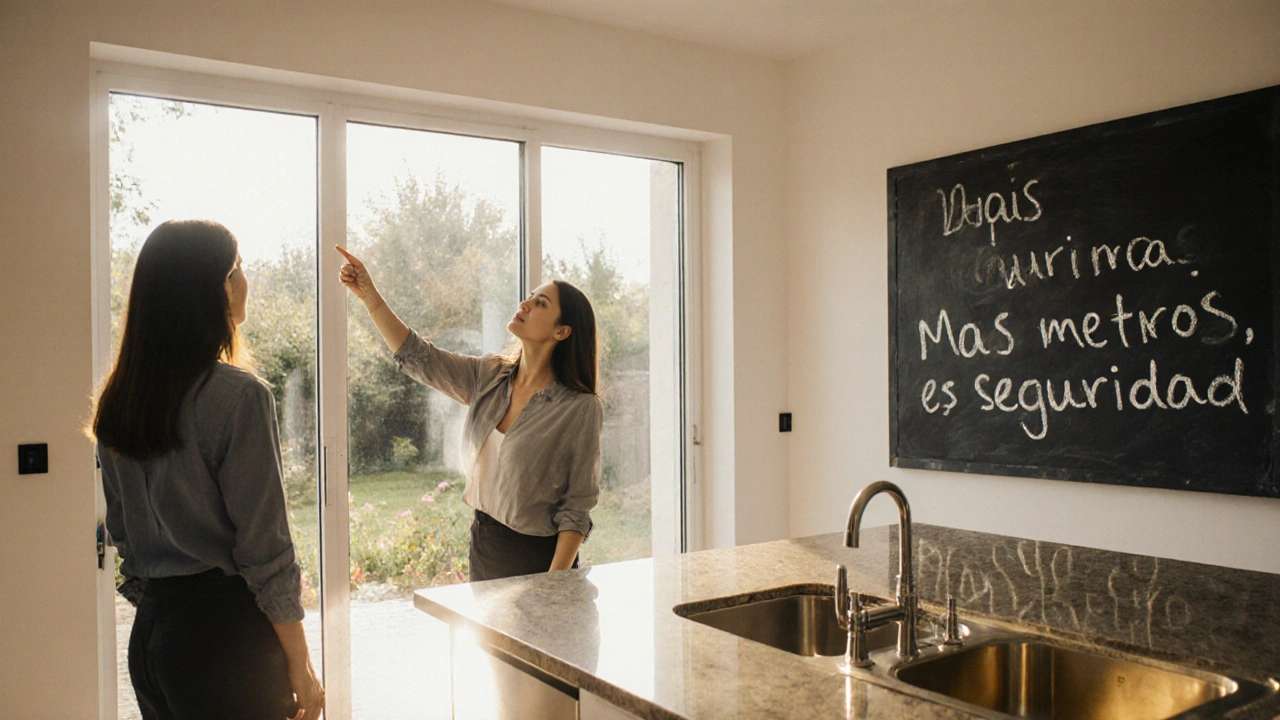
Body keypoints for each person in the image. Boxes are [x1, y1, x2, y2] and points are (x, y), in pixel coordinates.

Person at [92, 220, 324, 720]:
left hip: (154, 638)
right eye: (238, 268)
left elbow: (124, 537)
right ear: (218, 288)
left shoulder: (118, 402)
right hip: (227, 642)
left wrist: (167, 608)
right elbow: (266, 550)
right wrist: (300, 665)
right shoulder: (239, 397)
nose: (245, 281)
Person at [335, 245, 603, 581]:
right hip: (485, 544)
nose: (525, 304)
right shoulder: (489, 376)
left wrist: (553, 584)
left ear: (561, 332)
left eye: (540, 304)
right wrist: (369, 296)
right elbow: (420, 358)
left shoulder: (579, 408)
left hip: (540, 560)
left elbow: (576, 509)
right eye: (531, 297)